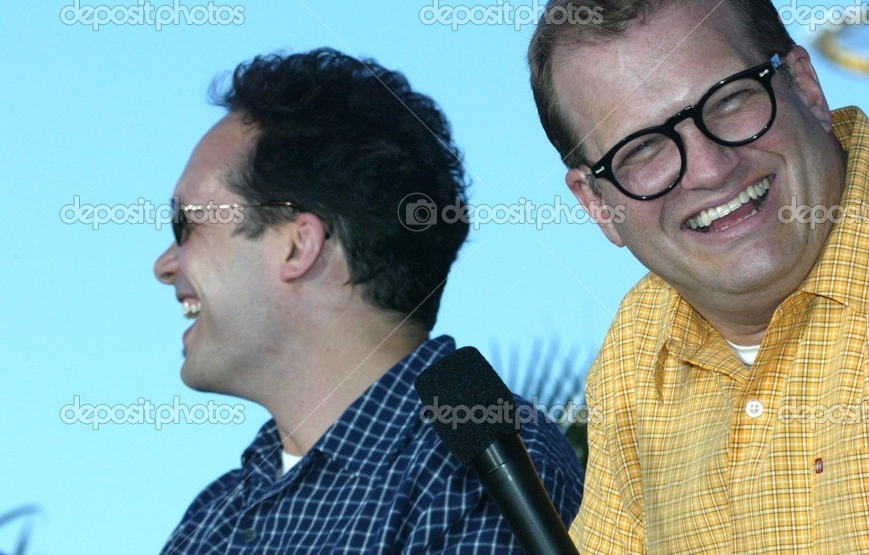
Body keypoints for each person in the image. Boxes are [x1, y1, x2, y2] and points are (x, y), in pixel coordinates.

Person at [527, 0, 869, 552]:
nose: (708, 169)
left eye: (730, 100)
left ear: (807, 89)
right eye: (644, 150)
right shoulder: (637, 350)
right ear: (597, 204)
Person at [153, 48, 583, 553]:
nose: (164, 265)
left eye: (187, 224)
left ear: (297, 244)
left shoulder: (481, 468)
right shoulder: (214, 515)